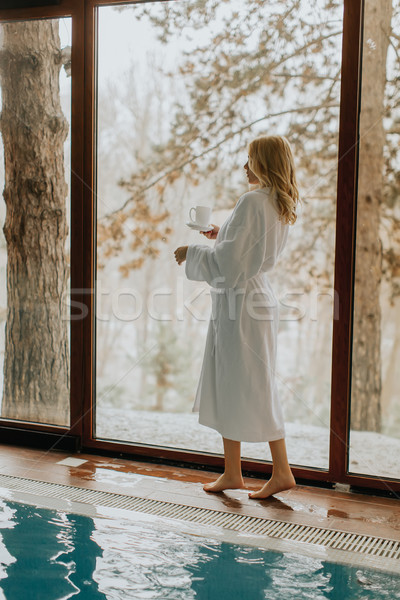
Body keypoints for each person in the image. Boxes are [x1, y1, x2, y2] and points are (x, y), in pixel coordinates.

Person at [174, 135, 300, 499]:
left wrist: (192, 252)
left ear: (264, 163)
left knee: (252, 383)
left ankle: (281, 471)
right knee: (237, 381)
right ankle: (233, 472)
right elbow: (245, 252)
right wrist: (220, 234)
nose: (245, 167)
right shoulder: (277, 202)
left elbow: (229, 267)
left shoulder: (251, 201)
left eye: (250, 160)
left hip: (242, 303)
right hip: (254, 298)